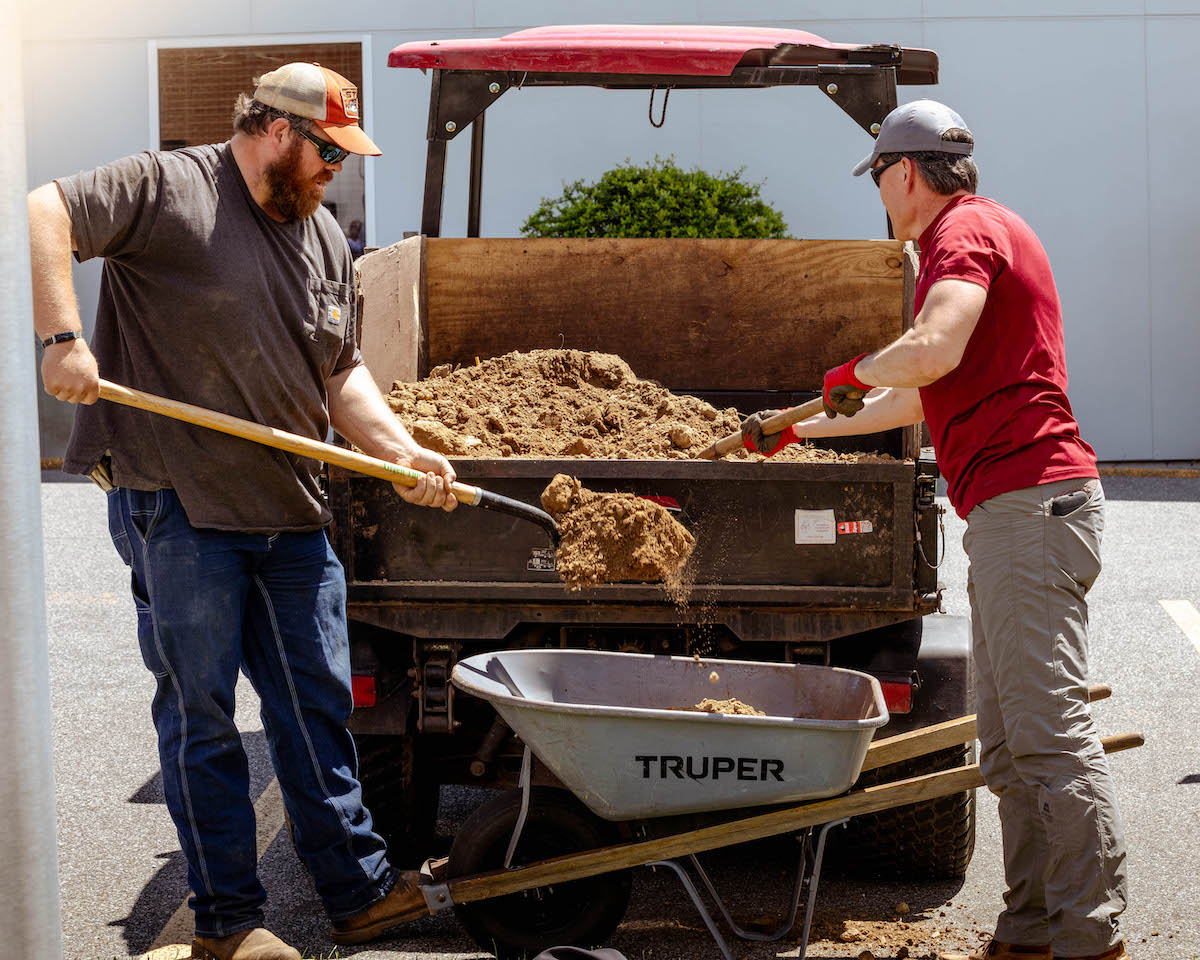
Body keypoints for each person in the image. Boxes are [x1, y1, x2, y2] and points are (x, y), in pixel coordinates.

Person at [29, 63, 454, 960]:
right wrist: (64, 337)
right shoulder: (169, 187)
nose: (337, 170)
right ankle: (227, 923)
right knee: (205, 717)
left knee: (316, 707)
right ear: (274, 130)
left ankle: (358, 891)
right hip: (181, 506)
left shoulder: (325, 238)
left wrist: (401, 451)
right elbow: (45, 208)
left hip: (292, 512)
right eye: (327, 153)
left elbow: (341, 375)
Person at [741, 100, 1127, 960]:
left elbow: (928, 349)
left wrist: (847, 369)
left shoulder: (961, 236)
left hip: (1032, 502)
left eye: (878, 176)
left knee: (1049, 736)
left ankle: (1092, 936)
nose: (878, 193)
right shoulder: (979, 233)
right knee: (1008, 743)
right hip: (1012, 509)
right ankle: (1031, 927)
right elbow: (919, 391)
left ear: (904, 172)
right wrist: (798, 428)